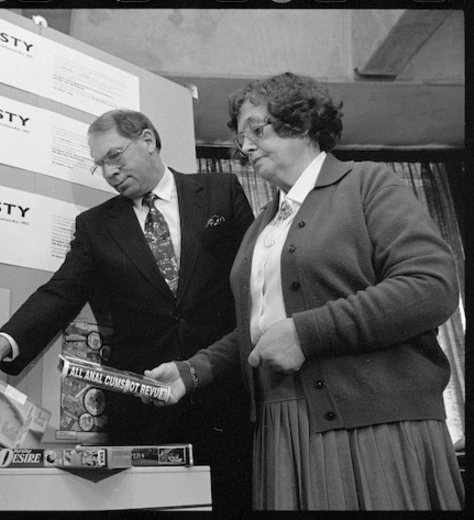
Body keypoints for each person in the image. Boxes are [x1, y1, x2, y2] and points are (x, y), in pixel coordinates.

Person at [144, 72, 464, 510]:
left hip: (373, 425)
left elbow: (431, 286)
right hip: (280, 425)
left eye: (258, 128)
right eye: (241, 139)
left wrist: (306, 334)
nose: (247, 146)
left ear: (304, 122)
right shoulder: (262, 224)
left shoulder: (368, 183)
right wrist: (192, 370)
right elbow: (260, 328)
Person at [0, 109, 256, 511]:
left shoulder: (220, 191)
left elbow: (255, 279)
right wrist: (3, 343)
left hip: (225, 393)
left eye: (114, 156)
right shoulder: (95, 226)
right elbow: (61, 292)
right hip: (144, 411)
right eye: (99, 164)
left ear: (148, 140)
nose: (108, 172)